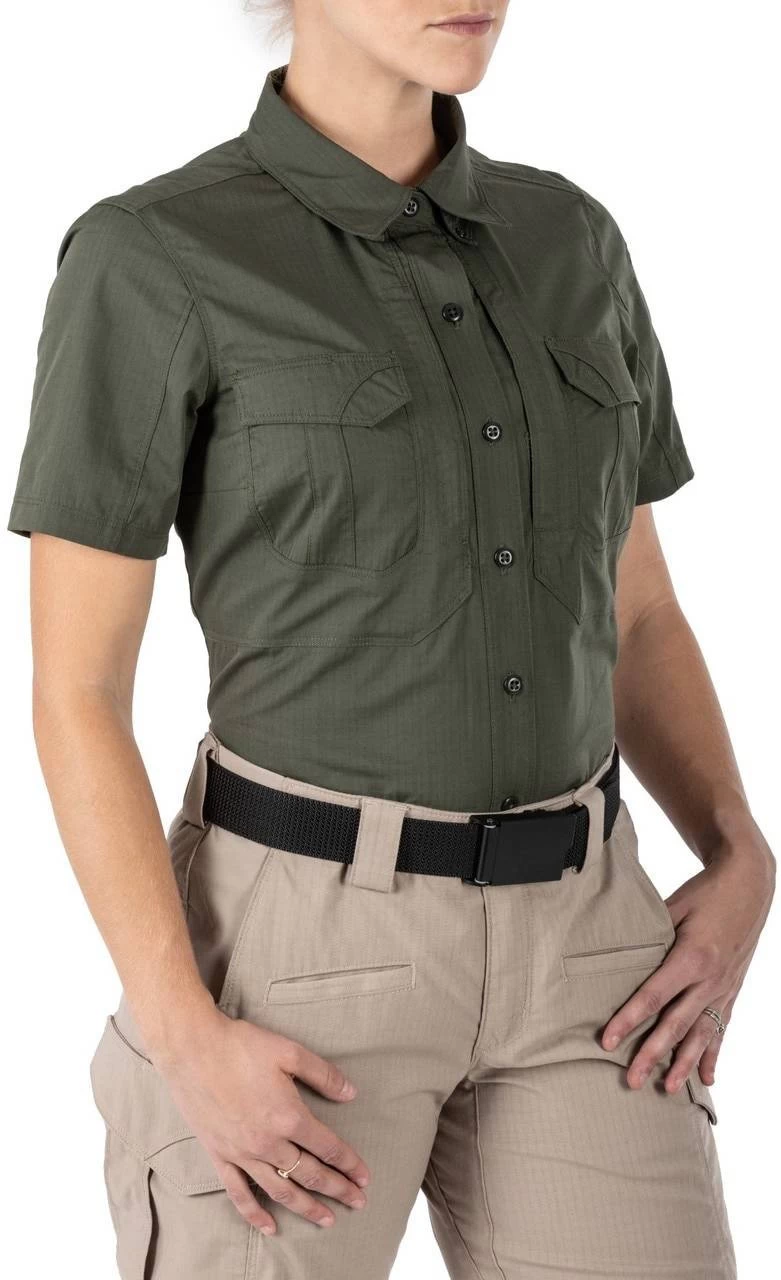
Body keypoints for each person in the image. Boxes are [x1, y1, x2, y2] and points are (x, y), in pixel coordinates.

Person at [7, 3, 774, 1277]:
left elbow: (637, 608)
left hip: (590, 953)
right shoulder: (155, 253)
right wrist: (181, 1028)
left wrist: (739, 848)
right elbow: (76, 688)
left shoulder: (571, 239)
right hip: (293, 959)